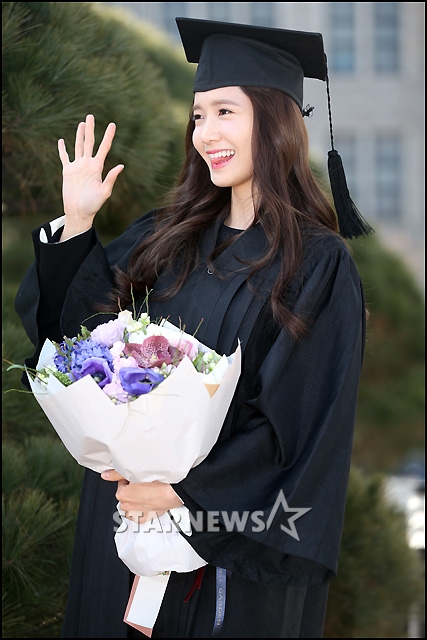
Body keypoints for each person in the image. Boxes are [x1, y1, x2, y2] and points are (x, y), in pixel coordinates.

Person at [15, 16, 372, 639]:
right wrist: (76, 223)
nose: (206, 132)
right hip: (122, 518)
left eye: (225, 112)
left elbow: (304, 425)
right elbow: (76, 341)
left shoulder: (317, 264)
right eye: (199, 115)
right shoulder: (167, 235)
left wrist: (185, 494)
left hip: (219, 540)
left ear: (276, 120)